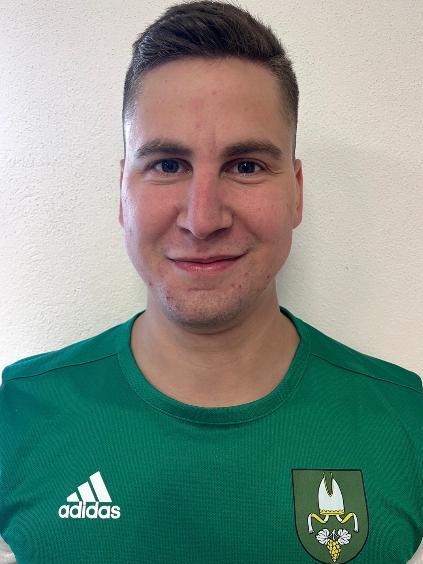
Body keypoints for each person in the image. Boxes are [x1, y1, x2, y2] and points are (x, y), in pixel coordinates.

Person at [1, 1, 422, 562]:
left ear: (296, 193)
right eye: (167, 165)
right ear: (122, 192)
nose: (203, 219)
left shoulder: (407, 422)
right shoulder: (17, 415)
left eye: (245, 166)